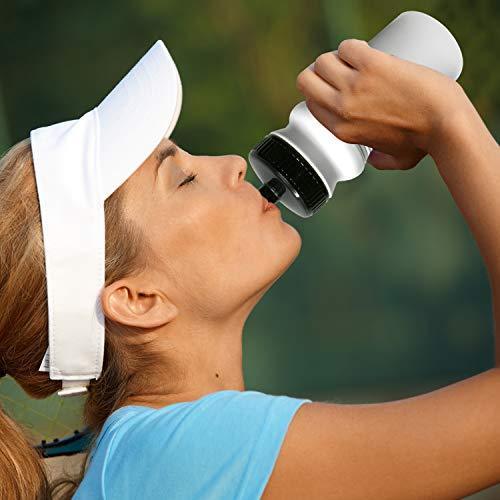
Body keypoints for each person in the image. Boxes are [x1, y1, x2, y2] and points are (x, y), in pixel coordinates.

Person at [0, 36, 498, 500]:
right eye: (184, 179)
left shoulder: (150, 454)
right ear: (138, 299)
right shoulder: (188, 452)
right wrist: (446, 120)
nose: (233, 163)